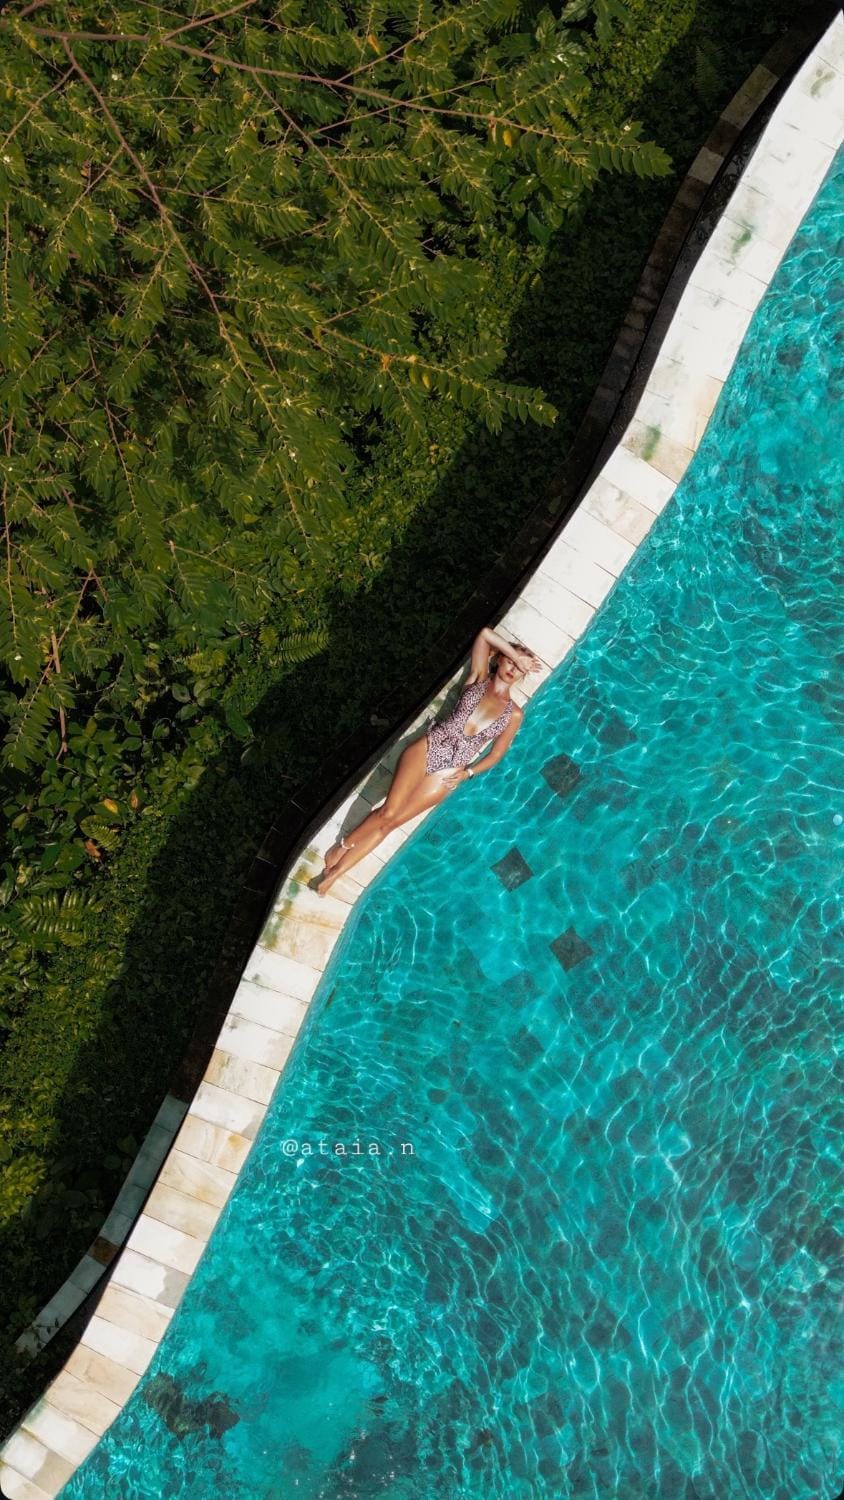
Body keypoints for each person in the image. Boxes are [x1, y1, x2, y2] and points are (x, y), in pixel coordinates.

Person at [316, 626, 542, 895]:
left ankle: (336, 873)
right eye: (511, 661)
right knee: (388, 811)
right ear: (499, 658)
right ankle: (340, 847)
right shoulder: (479, 678)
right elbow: (483, 634)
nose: (513, 669)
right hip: (430, 746)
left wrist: (468, 773)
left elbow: (496, 754)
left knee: (392, 823)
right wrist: (514, 652)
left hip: (451, 769)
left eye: (520, 668)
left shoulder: (514, 714)